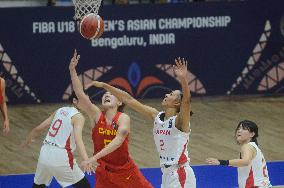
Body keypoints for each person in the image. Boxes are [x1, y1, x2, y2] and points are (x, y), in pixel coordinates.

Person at [86, 58, 196, 188]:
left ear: (177, 103)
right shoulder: (156, 115)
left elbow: (187, 102)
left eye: (171, 94)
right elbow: (129, 99)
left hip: (180, 172)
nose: (167, 94)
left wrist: (183, 79)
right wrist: (106, 86)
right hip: (166, 174)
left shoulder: (180, 121)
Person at [69, 50, 153, 188]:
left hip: (125, 170)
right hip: (104, 171)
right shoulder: (96, 115)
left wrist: (93, 158)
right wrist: (72, 70)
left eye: (111, 94)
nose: (107, 95)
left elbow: (118, 141)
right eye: (105, 94)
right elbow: (80, 94)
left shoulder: (123, 118)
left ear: (119, 102)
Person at [21, 92, 92, 188]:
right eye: (85, 100)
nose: (88, 103)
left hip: (45, 152)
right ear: (74, 101)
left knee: (38, 185)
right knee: (85, 186)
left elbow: (38, 129)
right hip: (61, 156)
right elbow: (78, 139)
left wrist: (27, 140)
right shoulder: (78, 117)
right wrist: (86, 159)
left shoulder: (59, 110)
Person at [206, 120, 272, 188]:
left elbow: (245, 162)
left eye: (244, 129)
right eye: (239, 128)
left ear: (252, 134)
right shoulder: (254, 147)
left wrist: (221, 162)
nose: (239, 131)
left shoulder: (247, 146)